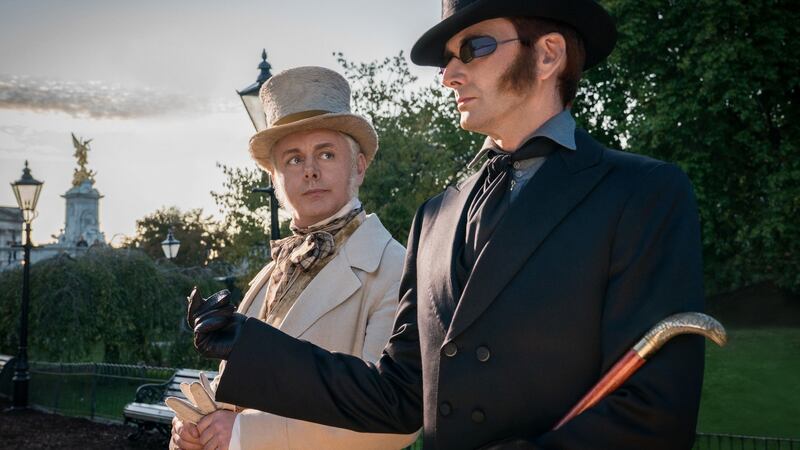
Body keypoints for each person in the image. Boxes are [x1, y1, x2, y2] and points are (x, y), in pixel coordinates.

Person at [190, 1, 706, 448]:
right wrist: (250, 345)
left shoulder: (643, 193)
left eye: (473, 48)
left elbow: (655, 414)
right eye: (447, 60)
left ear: (548, 54)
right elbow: (398, 397)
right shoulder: (435, 217)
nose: (449, 75)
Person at [171, 66, 418, 450]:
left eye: (326, 153)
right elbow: (238, 395)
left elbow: (395, 420)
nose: (311, 171)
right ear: (275, 180)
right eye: (293, 159)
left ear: (359, 166)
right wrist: (194, 428)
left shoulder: (395, 269)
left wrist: (241, 436)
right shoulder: (267, 274)